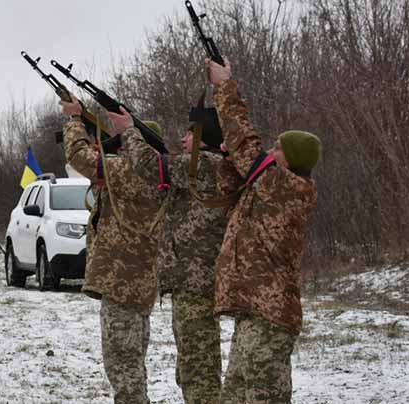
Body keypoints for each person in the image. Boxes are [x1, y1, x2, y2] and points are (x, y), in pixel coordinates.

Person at [205, 58, 322, 404]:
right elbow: (232, 181)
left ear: (289, 161)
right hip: (254, 313)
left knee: (258, 396)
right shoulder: (271, 186)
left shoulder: (289, 188)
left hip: (269, 315)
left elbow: (247, 145)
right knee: (236, 396)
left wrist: (224, 86)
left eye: (277, 149)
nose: (270, 152)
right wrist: (231, 158)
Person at [112, 111, 226, 404]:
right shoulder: (211, 166)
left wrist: (129, 130)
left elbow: (150, 166)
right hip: (195, 283)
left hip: (194, 285)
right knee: (193, 366)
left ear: (204, 139)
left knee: (198, 371)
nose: (183, 139)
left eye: (190, 134)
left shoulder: (202, 165)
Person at [60, 94, 164, 404]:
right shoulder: (154, 173)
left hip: (122, 285)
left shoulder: (134, 172)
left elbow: (79, 158)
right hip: (138, 285)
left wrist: (74, 119)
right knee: (131, 366)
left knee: (124, 369)